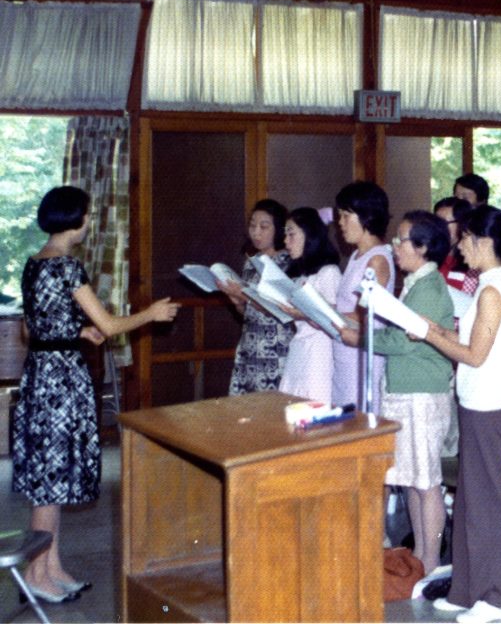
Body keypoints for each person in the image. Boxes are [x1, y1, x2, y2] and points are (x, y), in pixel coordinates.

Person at [12, 186, 180, 602]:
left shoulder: (34, 264)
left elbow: (31, 329)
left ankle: (50, 566)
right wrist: (151, 314)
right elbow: (110, 325)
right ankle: (36, 574)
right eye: (87, 216)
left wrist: (74, 333)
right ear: (77, 219)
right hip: (62, 381)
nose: (89, 223)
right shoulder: (68, 267)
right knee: (51, 481)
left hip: (41, 373)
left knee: (51, 477)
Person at [421, 205, 501, 624]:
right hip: (476, 402)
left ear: (483, 241)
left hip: (490, 404)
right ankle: (466, 588)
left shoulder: (495, 289)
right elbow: (467, 338)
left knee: (486, 504)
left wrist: (430, 335)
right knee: (468, 501)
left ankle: (497, 598)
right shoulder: (488, 285)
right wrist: (430, 327)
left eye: (464, 239)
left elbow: (474, 356)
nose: (458, 246)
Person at [369, 211, 455, 575]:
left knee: (427, 480)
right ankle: (419, 552)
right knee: (412, 481)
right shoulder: (415, 283)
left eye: (402, 240)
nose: (395, 246)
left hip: (423, 392)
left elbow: (404, 341)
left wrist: (366, 337)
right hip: (406, 390)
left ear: (422, 247)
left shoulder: (431, 288)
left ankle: (431, 559)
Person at [219, 198, 295, 396]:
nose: (256, 232)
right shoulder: (251, 264)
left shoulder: (287, 262)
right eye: (253, 226)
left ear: (278, 229)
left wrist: (243, 294)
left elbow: (279, 308)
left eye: (264, 226)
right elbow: (246, 312)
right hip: (250, 344)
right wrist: (235, 299)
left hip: (275, 347)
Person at [333, 182, 394, 410]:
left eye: (346, 216)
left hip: (363, 355)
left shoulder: (377, 259)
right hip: (346, 354)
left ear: (367, 216)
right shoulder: (357, 255)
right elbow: (346, 305)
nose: (340, 223)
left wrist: (322, 313)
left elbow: (367, 315)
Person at [278, 207, 341, 404]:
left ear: (309, 234)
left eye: (291, 234)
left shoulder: (329, 272)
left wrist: (303, 313)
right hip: (299, 347)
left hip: (318, 353)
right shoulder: (301, 275)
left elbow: (334, 320)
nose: (286, 241)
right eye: (285, 234)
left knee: (313, 407)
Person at [435, 196, 479, 293]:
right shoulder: (429, 260)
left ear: (462, 225)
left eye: (444, 223)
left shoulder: (472, 265)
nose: (439, 228)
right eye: (436, 223)